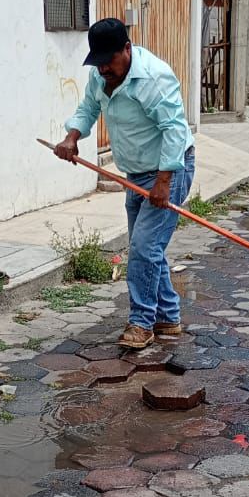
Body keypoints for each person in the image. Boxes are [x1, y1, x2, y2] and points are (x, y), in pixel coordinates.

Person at [54, 18, 195, 350]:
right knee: (148, 248)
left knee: (144, 248)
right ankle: (168, 317)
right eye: (98, 62)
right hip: (135, 173)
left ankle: (141, 323)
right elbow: (88, 108)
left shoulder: (154, 78)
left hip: (168, 170)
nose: (104, 68)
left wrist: (163, 182)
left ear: (127, 49)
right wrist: (71, 137)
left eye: (109, 61)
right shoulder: (100, 76)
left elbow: (175, 131)